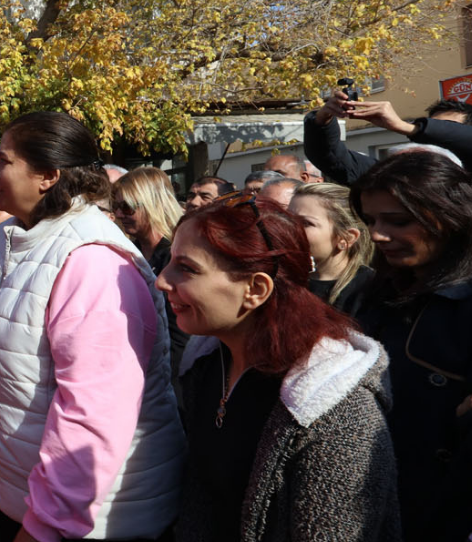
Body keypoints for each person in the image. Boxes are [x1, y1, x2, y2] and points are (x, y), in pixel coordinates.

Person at [0, 112, 184, 542]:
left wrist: (46, 525)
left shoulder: (92, 263)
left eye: (2, 160)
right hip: (23, 493)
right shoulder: (7, 237)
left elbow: (91, 417)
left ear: (47, 176)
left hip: (90, 518)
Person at [157, 194, 400, 540]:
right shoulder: (208, 362)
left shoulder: (335, 410)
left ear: (256, 289)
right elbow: (203, 500)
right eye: (169, 262)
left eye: (187, 268)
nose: (162, 280)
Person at [350, 152, 472, 539]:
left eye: (397, 221)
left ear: (449, 215)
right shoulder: (376, 290)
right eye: (370, 220)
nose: (378, 235)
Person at [305, 92, 472, 198]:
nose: (433, 141)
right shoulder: (403, 179)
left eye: (446, 130)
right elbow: (333, 159)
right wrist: (323, 120)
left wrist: (407, 128)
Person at [113, 166, 189, 377]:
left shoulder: (177, 256)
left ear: (153, 204)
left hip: (172, 375)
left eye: (127, 207)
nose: (119, 214)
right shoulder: (127, 253)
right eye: (116, 206)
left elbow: (181, 334)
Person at [288, 183, 374, 316]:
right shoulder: (283, 281)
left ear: (346, 238)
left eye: (306, 223)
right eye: (288, 219)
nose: (290, 228)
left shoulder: (371, 291)